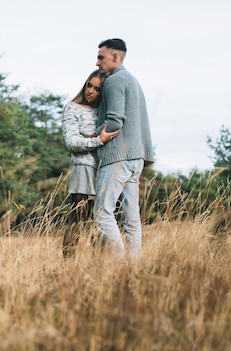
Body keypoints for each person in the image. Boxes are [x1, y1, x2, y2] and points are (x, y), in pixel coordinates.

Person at [93, 38, 154, 259]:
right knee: (131, 219)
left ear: (115, 57)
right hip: (135, 158)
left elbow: (116, 121)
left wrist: (91, 135)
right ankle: (131, 269)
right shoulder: (134, 81)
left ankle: (118, 264)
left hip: (117, 157)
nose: (97, 62)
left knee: (102, 213)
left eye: (101, 57)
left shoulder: (115, 81)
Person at [62, 69, 119, 258]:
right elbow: (72, 143)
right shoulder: (72, 108)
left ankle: (99, 262)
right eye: (89, 85)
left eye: (97, 88)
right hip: (84, 167)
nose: (91, 91)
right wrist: (97, 140)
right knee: (78, 219)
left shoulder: (105, 111)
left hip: (107, 166)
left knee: (103, 218)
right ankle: (68, 263)